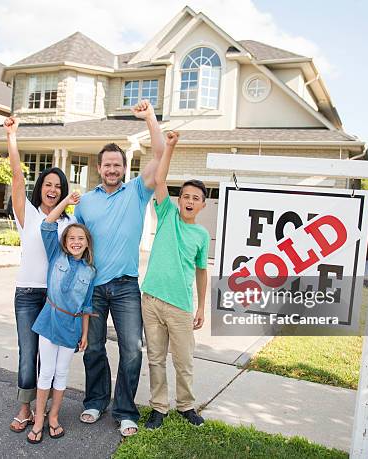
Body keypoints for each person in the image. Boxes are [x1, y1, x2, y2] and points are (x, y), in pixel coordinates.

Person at [74, 100, 164, 436]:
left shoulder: (137, 192)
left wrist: (151, 118)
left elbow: (159, 154)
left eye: (117, 165)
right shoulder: (85, 202)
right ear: (99, 168)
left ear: (124, 168)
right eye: (107, 165)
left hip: (126, 286)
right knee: (94, 348)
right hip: (93, 287)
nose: (112, 170)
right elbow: (75, 244)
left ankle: (125, 409)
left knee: (131, 349)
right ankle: (96, 402)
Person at [5, 117, 75, 433]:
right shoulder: (28, 216)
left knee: (49, 359)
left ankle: (45, 409)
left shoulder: (65, 225)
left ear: (63, 193)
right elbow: (17, 178)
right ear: (41, 188)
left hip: (54, 300)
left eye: (58, 187)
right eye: (48, 184)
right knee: (27, 352)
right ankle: (25, 407)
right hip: (27, 294)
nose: (52, 189)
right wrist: (12, 137)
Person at [140, 131, 210, 429]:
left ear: (203, 205)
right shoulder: (167, 212)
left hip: (181, 305)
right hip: (152, 299)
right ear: (178, 200)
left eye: (196, 198)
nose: (190, 201)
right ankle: (159, 407)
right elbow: (159, 179)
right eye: (186, 196)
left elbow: (201, 271)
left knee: (183, 361)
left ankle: (186, 406)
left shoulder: (202, 235)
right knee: (155, 359)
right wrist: (169, 146)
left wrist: (201, 308)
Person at [26, 191, 96, 443]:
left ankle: (54, 416)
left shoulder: (90, 271)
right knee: (46, 372)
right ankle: (39, 420)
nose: (76, 242)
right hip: (50, 320)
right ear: (65, 242)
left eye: (81, 238)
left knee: (62, 372)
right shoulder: (56, 256)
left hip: (72, 326)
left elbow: (87, 305)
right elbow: (47, 225)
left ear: (87, 243)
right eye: (72, 238)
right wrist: (66, 202)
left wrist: (85, 334)